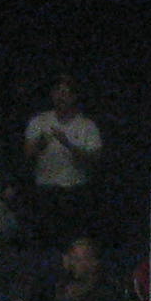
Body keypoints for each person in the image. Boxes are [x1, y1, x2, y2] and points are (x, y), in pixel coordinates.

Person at [22, 79, 103, 250]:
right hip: (46, 189)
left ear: (74, 97)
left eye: (66, 93)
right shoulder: (40, 121)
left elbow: (95, 158)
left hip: (75, 190)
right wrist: (41, 144)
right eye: (58, 92)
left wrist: (68, 144)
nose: (61, 97)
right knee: (44, 242)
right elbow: (28, 153)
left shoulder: (86, 126)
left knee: (73, 240)